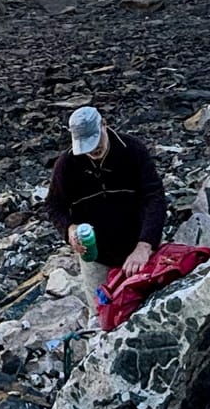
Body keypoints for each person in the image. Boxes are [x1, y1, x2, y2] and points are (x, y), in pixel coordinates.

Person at [43, 106, 167, 311]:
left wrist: (145, 245)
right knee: (103, 317)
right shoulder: (67, 164)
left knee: (149, 308)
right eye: (86, 146)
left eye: (95, 141)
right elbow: (53, 206)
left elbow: (155, 198)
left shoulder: (133, 150)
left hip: (138, 247)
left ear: (104, 124)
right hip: (96, 256)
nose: (93, 150)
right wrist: (69, 229)